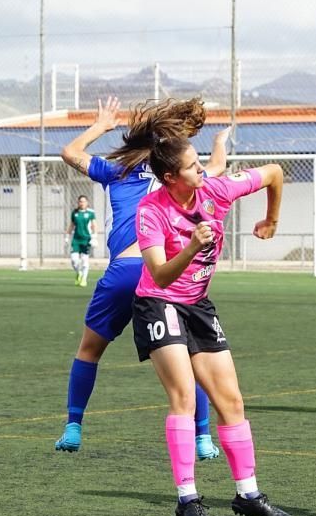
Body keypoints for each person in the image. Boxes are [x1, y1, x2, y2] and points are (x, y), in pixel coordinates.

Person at [54, 95, 231, 462]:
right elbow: (215, 166)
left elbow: (69, 152)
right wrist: (218, 144)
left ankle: (73, 426)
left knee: (89, 350)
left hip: (125, 271)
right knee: (192, 358)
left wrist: (101, 126)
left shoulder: (116, 171)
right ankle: (201, 438)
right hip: (166, 275)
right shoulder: (175, 175)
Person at [132, 135, 292, 516]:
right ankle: (188, 499)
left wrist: (272, 220)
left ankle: (248, 494)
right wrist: (189, 247)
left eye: (200, 161)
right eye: (192, 166)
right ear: (171, 177)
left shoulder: (215, 190)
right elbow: (160, 274)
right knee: (184, 396)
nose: (202, 169)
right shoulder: (151, 211)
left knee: (231, 401)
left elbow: (274, 173)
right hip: (159, 302)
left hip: (199, 305)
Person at [65, 195, 97, 287]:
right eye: (80, 201)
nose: (82, 203)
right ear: (78, 203)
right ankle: (78, 273)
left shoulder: (90, 213)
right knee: (74, 260)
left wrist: (94, 237)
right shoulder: (75, 213)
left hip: (86, 239)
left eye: (84, 201)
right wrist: (67, 236)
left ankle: (84, 279)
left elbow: (94, 225)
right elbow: (71, 225)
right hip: (76, 239)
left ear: (87, 202)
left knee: (85, 260)